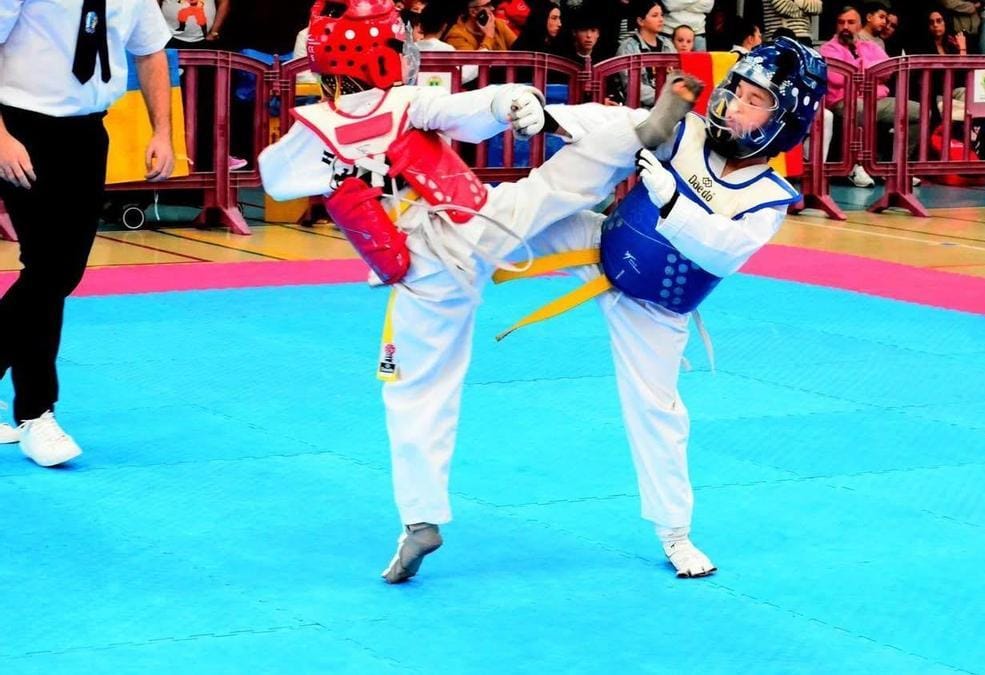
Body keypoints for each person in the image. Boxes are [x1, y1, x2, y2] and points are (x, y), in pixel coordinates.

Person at [258, 0, 704, 583]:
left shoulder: (312, 127)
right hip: (479, 225)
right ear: (378, 55)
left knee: (418, 392)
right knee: (554, 186)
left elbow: (275, 178)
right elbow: (466, 111)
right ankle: (632, 137)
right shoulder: (406, 102)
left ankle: (420, 519)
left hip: (423, 271)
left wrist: (343, 163)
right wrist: (510, 102)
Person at [494, 37, 826, 578]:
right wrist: (550, 116)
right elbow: (617, 123)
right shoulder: (686, 131)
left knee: (658, 412)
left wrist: (672, 199)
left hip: (654, 310)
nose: (734, 106)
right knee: (510, 216)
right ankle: (421, 244)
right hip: (599, 245)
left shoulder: (768, 196)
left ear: (784, 121)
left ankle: (675, 534)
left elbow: (723, 250)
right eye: (735, 90)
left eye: (754, 101)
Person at [0, 0, 175, 466]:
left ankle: (33, 410)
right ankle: (36, 413)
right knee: (46, 270)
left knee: (61, 273)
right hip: (20, 125)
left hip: (88, 131)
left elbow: (150, 51)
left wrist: (162, 132)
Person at [819, 5, 921, 189]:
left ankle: (894, 167)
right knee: (859, 109)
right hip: (843, 101)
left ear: (859, 25)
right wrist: (869, 71)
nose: (845, 27)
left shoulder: (870, 46)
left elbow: (888, 70)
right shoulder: (828, 49)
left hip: (875, 99)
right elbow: (838, 78)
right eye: (841, 22)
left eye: (851, 22)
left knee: (918, 112)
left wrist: (858, 68)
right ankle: (855, 167)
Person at [616, 0, 676, 108]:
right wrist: (664, 97)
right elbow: (633, 88)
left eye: (661, 15)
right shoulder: (628, 48)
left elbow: (677, 76)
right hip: (639, 110)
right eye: (655, 15)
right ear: (640, 21)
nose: (661, 19)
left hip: (668, 106)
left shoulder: (667, 44)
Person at [445, 0, 518, 51]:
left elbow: (519, 49)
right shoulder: (456, 35)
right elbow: (473, 65)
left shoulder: (498, 24)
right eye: (487, 5)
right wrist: (489, 37)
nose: (492, 8)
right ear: (473, 12)